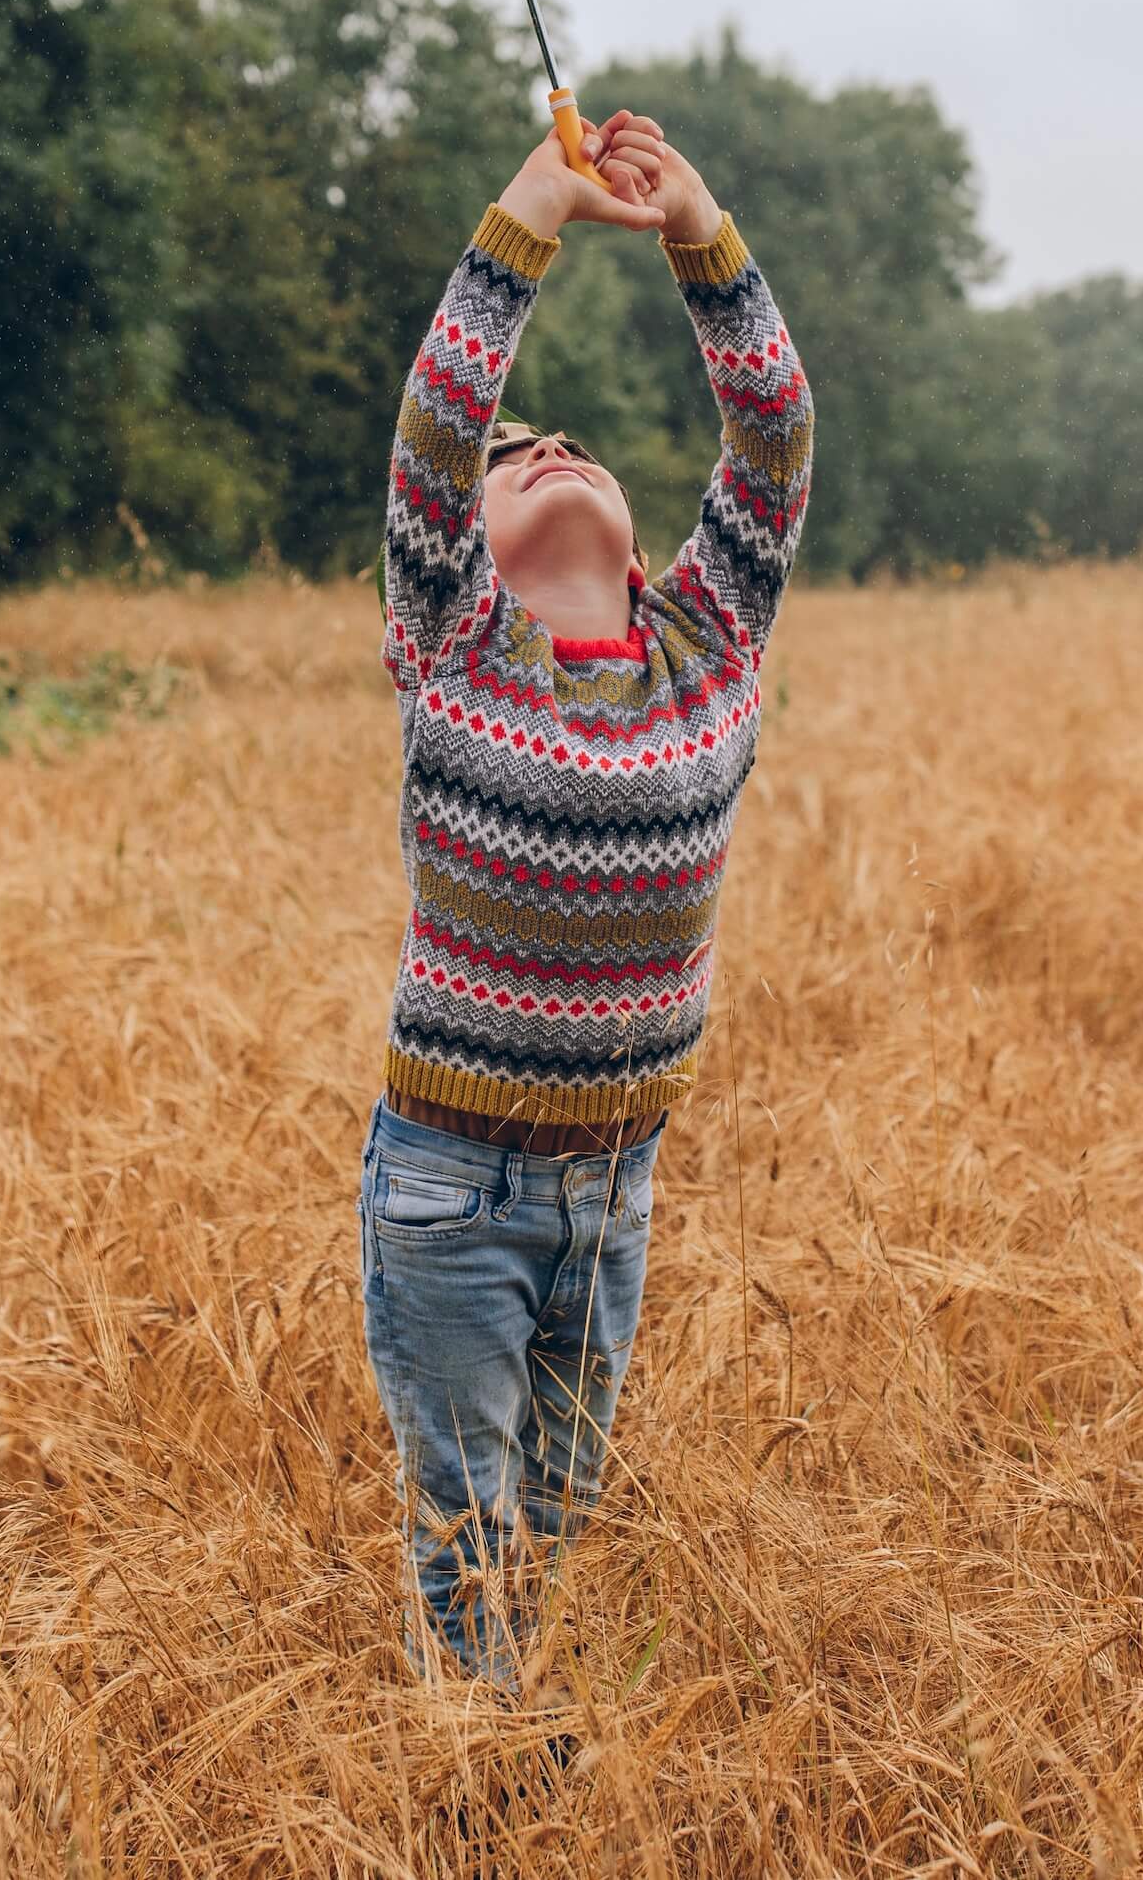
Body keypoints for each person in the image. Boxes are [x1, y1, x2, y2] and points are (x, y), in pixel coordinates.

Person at [360, 105, 814, 1699]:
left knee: (558, 1541)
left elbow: (770, 441)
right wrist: (526, 218)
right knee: (475, 1562)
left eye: (570, 443)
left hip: (614, 1193)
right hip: (450, 1192)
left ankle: (533, 1792)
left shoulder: (709, 641)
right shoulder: (454, 646)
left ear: (634, 536)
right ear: (458, 553)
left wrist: (701, 234)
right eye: (512, 459)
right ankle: (487, 1817)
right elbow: (438, 423)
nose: (539, 446)